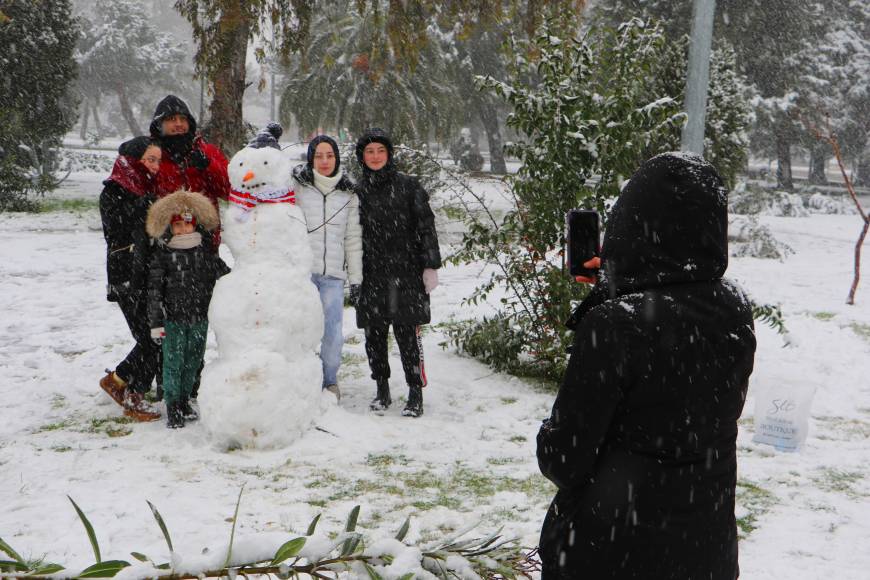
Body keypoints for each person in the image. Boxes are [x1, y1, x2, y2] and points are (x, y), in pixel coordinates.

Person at [536, 152, 757, 580]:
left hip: (612, 554)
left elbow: (563, 459)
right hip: (704, 552)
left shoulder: (615, 326)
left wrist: (610, 304)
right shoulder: (734, 307)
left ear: (631, 223)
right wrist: (617, 288)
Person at [354, 128, 441, 417]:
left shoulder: (408, 186)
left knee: (407, 333)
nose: (375, 157)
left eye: (380, 151)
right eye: (369, 152)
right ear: (362, 157)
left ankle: (415, 392)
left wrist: (430, 265)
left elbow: (426, 226)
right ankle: (382, 388)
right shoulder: (357, 192)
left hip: (407, 272)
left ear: (389, 154)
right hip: (372, 272)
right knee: (374, 334)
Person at [145, 190, 229, 429]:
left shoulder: (205, 253)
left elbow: (225, 276)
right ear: (171, 227)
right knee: (173, 361)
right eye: (178, 225)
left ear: (195, 225)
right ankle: (172, 404)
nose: (183, 230)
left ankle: (184, 400)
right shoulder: (164, 255)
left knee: (193, 360)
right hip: (173, 319)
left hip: (200, 317)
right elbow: (154, 291)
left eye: (187, 225)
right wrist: (156, 322)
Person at [293, 135, 363, 401]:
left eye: (329, 155)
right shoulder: (298, 188)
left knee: (332, 332)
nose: (324, 161)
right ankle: (302, 378)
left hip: (333, 276)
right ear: (311, 158)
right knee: (301, 329)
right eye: (318, 155)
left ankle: (329, 380)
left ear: (336, 158)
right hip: (302, 273)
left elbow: (353, 239)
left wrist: (355, 280)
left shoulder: (348, 193)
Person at [98, 136, 163, 422]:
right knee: (150, 337)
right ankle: (119, 381)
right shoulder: (114, 190)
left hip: (147, 272)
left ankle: (132, 389)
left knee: (155, 335)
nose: (156, 166)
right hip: (127, 274)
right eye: (151, 160)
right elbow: (117, 229)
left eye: (158, 161)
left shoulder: (147, 188)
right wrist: (144, 206)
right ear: (134, 160)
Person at [148, 94, 231, 251]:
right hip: (162, 244)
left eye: (183, 119)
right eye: (172, 119)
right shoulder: (150, 156)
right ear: (159, 124)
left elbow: (228, 191)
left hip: (204, 243)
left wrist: (208, 166)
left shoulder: (208, 152)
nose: (179, 124)